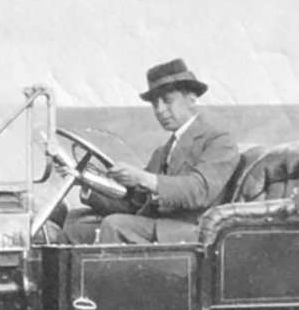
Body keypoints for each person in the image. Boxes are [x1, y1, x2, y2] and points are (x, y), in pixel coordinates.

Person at [62, 59, 240, 244]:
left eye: (168, 101)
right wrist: (86, 182)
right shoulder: (162, 152)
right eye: (155, 104)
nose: (160, 110)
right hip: (160, 225)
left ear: (191, 99)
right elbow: (136, 203)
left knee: (115, 225)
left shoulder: (219, 141)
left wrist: (143, 178)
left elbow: (199, 190)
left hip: (190, 232)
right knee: (76, 224)